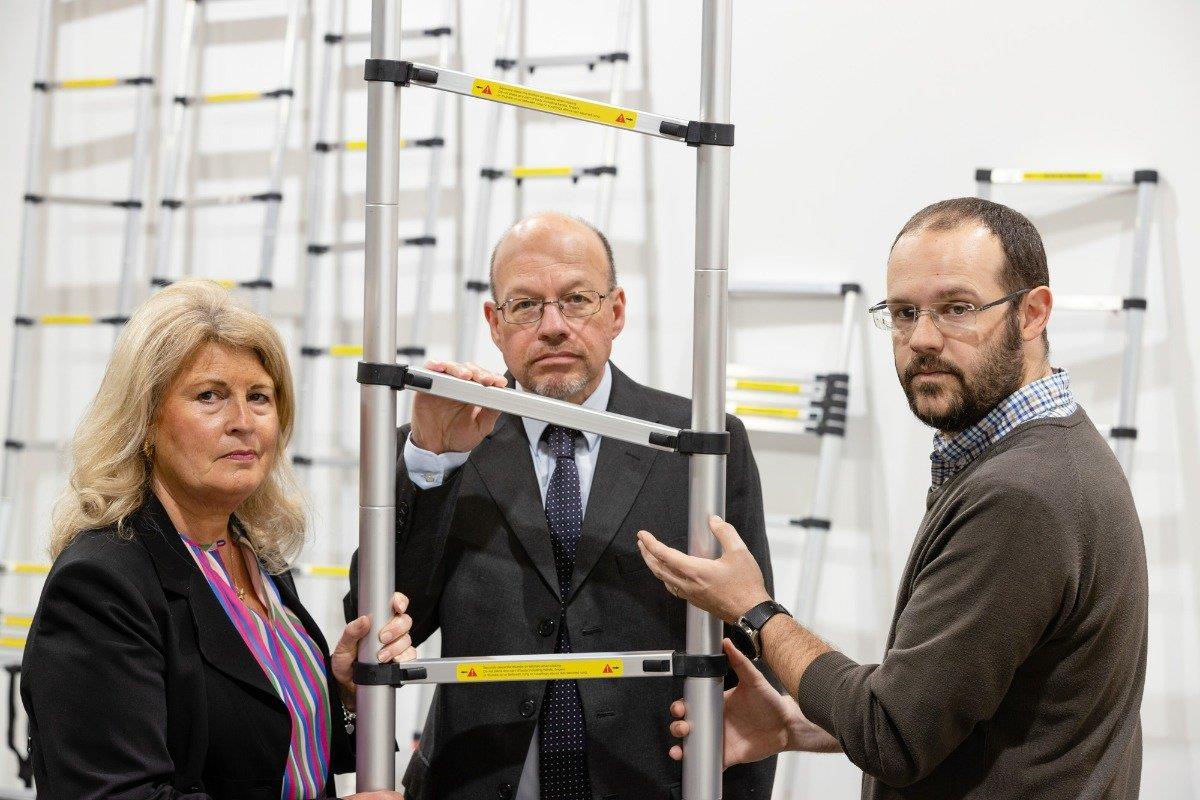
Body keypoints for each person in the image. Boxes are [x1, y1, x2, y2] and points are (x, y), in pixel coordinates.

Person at [638, 198, 1148, 799]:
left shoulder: (1022, 495)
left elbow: (894, 734)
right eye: (905, 313)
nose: (923, 339)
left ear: (1033, 313)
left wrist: (754, 609)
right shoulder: (1053, 449)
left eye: (957, 309)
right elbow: (948, 703)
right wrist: (793, 726)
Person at [345, 211, 777, 799]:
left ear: (617, 311)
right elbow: (382, 623)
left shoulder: (699, 443)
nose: (553, 326)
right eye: (525, 305)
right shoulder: (440, 439)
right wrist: (432, 461)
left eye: (577, 300)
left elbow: (752, 659)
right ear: (494, 323)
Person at [21, 279, 414, 800]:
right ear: (145, 420)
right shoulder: (100, 583)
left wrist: (341, 695)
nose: (244, 422)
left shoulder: (256, 556)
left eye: (259, 397)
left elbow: (272, 748)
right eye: (210, 396)